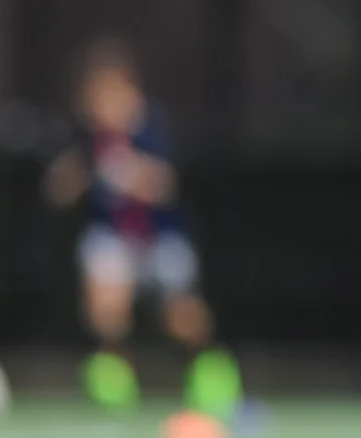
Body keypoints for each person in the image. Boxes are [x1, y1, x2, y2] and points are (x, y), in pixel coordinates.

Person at [43, 39, 240, 418]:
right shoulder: (88, 137)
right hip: (114, 238)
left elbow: (164, 184)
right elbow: (63, 183)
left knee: (180, 315)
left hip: (159, 239)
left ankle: (209, 368)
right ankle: (113, 377)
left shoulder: (152, 126)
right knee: (104, 294)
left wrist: (133, 175)